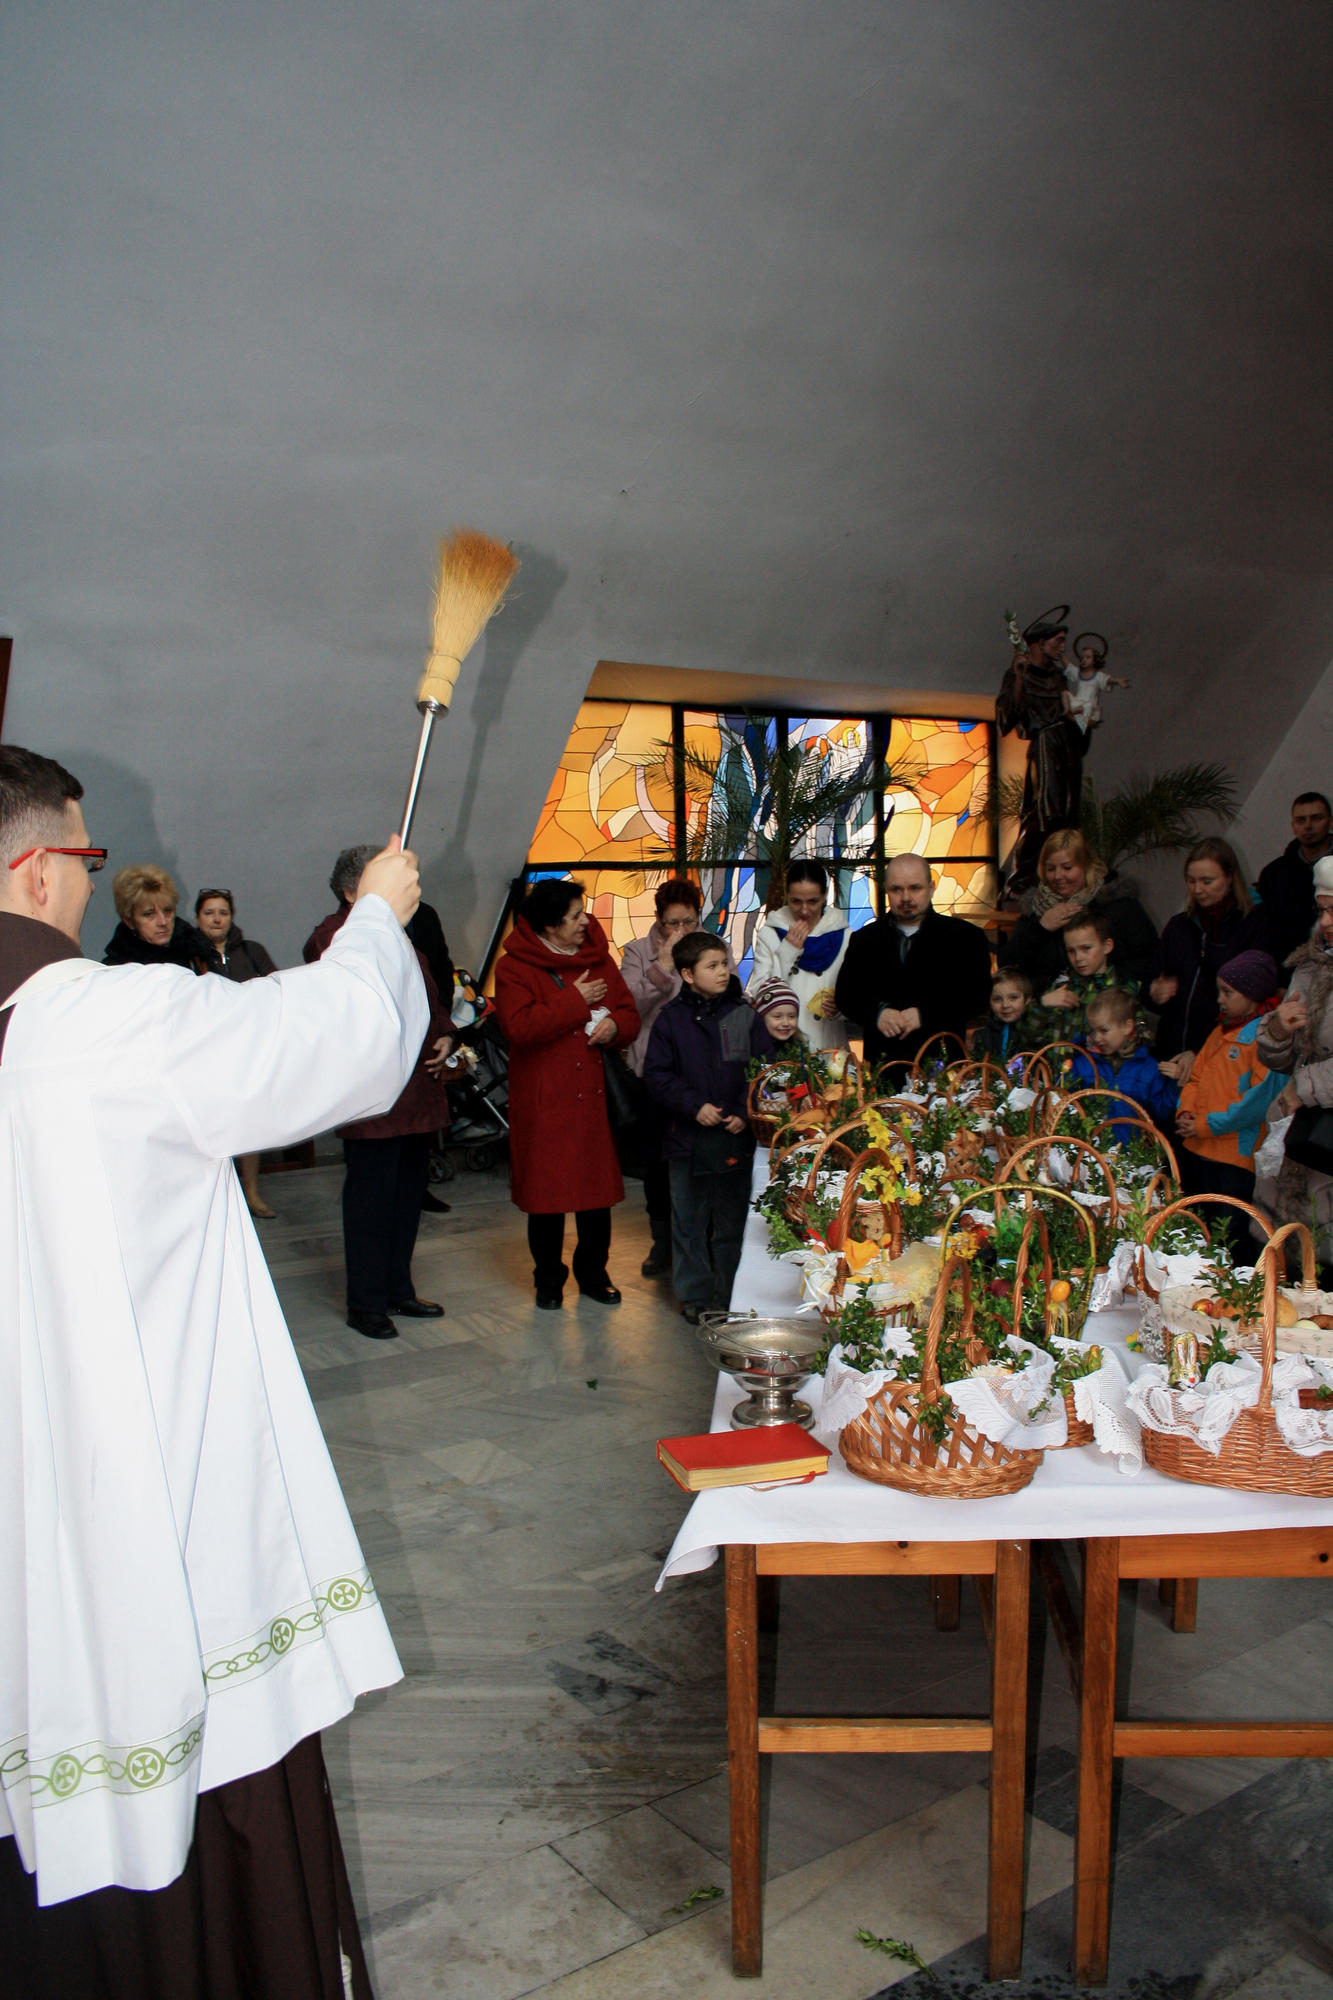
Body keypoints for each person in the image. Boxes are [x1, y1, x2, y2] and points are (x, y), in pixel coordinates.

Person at [0, 743, 424, 1993]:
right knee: (169, 1713)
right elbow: (333, 1038)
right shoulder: (90, 1020)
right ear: (35, 868)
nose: (89, 881)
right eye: (85, 854)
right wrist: (377, 916)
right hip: (135, 1496)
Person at [305, 845, 455, 1339]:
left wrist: (446, 1035)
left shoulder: (397, 934)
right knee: (371, 1202)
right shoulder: (334, 938)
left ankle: (398, 1289)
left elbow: (429, 998)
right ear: (354, 892)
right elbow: (352, 1011)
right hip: (375, 1098)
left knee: (407, 1197)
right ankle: (365, 1303)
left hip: (415, 1092)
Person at [494, 878, 639, 1309]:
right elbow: (518, 1028)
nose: (585, 921)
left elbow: (629, 1013)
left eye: (583, 912)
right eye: (575, 916)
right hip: (546, 1101)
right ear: (549, 925)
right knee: (547, 1199)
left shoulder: (598, 956)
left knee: (596, 1197)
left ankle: (594, 1274)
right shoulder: (514, 967)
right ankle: (548, 1280)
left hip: (593, 1098)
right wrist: (576, 1002)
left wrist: (614, 1026)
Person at [643, 931, 774, 1324]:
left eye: (724, 964)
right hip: (686, 1139)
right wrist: (693, 1106)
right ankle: (695, 1296)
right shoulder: (671, 1020)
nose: (723, 972)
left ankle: (730, 1293)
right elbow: (657, 1075)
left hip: (733, 1135)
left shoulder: (744, 1016)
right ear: (687, 974)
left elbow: (763, 1071)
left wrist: (744, 1110)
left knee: (731, 1223)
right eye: (712, 966)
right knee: (688, 1221)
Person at [620, 878, 725, 1279]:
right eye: (672, 923)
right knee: (658, 1165)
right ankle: (662, 1241)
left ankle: (705, 1240)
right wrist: (663, 967)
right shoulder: (638, 952)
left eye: (689, 921)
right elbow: (629, 1005)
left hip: (703, 1076)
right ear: (658, 920)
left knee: (704, 1160)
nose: (681, 930)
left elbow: (728, 996)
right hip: (654, 1076)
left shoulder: (713, 947)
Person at [834, 852, 992, 1068]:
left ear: (931, 887)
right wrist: (877, 1013)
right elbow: (846, 995)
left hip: (943, 1067)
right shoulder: (864, 939)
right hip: (884, 1065)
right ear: (886, 889)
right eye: (897, 889)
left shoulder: (966, 937)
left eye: (915, 888)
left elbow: (978, 996)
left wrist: (925, 1014)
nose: (906, 897)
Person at [1255, 858, 1333, 1281]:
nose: (1326, 921)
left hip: (1325, 1142)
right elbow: (1279, 1057)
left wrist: (1304, 1086)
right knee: (1283, 1258)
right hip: (1300, 1137)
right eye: (1322, 909)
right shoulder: (1311, 965)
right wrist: (1279, 1031)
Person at [1171, 951, 1285, 1224]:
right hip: (1199, 1145)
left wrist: (1205, 1125)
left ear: (1252, 993)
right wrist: (1186, 1112)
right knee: (1196, 1224)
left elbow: (1257, 1103)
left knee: (1228, 1232)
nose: (1220, 999)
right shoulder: (1220, 1031)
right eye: (1219, 991)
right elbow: (1195, 1078)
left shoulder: (1267, 1039)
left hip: (1234, 1155)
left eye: (1228, 992)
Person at [196, 886, 281, 1221]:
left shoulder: (251, 950)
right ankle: (218, 1198)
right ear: (197, 917)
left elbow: (275, 989)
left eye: (223, 913)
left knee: (248, 1125)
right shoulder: (191, 955)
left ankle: (252, 1192)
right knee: (213, 1126)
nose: (217, 919)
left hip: (247, 1050)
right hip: (207, 1054)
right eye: (209, 913)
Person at [1149, 838, 1276, 1059]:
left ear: (1229, 877)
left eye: (1207, 881)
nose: (1198, 889)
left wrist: (1201, 1051)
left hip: (1225, 1052)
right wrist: (1155, 992)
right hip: (1171, 1051)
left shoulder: (1254, 924)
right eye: (1191, 881)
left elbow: (1254, 998)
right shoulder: (1179, 926)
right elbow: (1151, 981)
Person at [999, 828, 1158, 997]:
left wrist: (1099, 990)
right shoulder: (1035, 909)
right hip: (1047, 1005)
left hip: (1106, 1002)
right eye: (1051, 869)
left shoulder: (1117, 905)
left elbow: (1147, 959)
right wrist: (1041, 928)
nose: (1058, 876)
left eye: (1067, 868)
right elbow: (1009, 963)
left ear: (1086, 866)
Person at [995, 606, 1085, 886]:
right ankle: (1028, 871)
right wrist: (1019, 677)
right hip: (1045, 745)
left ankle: (1065, 868)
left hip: (1066, 743)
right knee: (1046, 810)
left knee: (1068, 812)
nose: (1062, 647)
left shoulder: (1058, 675)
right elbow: (1008, 716)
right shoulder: (1019, 673)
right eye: (1058, 641)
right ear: (1039, 643)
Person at [746, 861, 850, 1049]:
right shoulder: (770, 934)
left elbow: (859, 992)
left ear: (825, 895)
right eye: (796, 901)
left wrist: (841, 1007)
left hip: (829, 1042)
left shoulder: (844, 936)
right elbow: (760, 994)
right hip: (786, 1044)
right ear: (786, 895)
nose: (804, 910)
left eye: (812, 901)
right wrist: (788, 951)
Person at [1069, 988, 1179, 1140]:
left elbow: (1161, 1112)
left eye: (1104, 1030)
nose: (1097, 1037)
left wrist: (1174, 1084)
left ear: (1127, 1027)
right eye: (1093, 1030)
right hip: (1090, 1147)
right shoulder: (1083, 1062)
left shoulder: (1148, 1067)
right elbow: (1067, 1102)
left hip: (1132, 1150)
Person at [1038, 910, 1139, 1040]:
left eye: (1086, 948)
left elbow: (1137, 1039)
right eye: (1071, 951)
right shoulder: (1061, 988)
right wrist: (1042, 1005)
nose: (1078, 958)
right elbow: (1027, 1038)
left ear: (1107, 946)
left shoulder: (1124, 992)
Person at [1256, 792, 1333, 964]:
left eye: (1316, 818)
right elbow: (1265, 931)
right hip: (1289, 967)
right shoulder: (1273, 874)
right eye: (1301, 820)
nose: (1308, 826)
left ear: (1330, 822)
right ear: (1293, 827)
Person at [103, 863, 218, 972]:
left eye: (167, 911)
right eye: (149, 914)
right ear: (129, 921)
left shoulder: (197, 955)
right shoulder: (116, 969)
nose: (163, 922)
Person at [1062, 632, 1129, 738]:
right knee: (1065, 693)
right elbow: (1069, 667)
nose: (1084, 660)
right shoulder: (1079, 673)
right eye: (1082, 657)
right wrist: (1061, 655)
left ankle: (1074, 712)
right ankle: (1067, 711)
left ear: (1094, 660)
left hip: (1088, 707)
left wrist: (1118, 681)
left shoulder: (1098, 676)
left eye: (1088, 657)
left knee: (1088, 706)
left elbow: (1108, 679)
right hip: (1077, 703)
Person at [970, 968, 1039, 1063]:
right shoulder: (982, 1035)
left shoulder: (1032, 1031)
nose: (1005, 1005)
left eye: (1013, 997)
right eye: (997, 999)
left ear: (1027, 1000)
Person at [750, 976, 804, 1051]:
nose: (786, 1023)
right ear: (762, 1018)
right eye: (777, 1016)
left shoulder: (800, 1049)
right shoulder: (750, 1049)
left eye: (791, 1016)